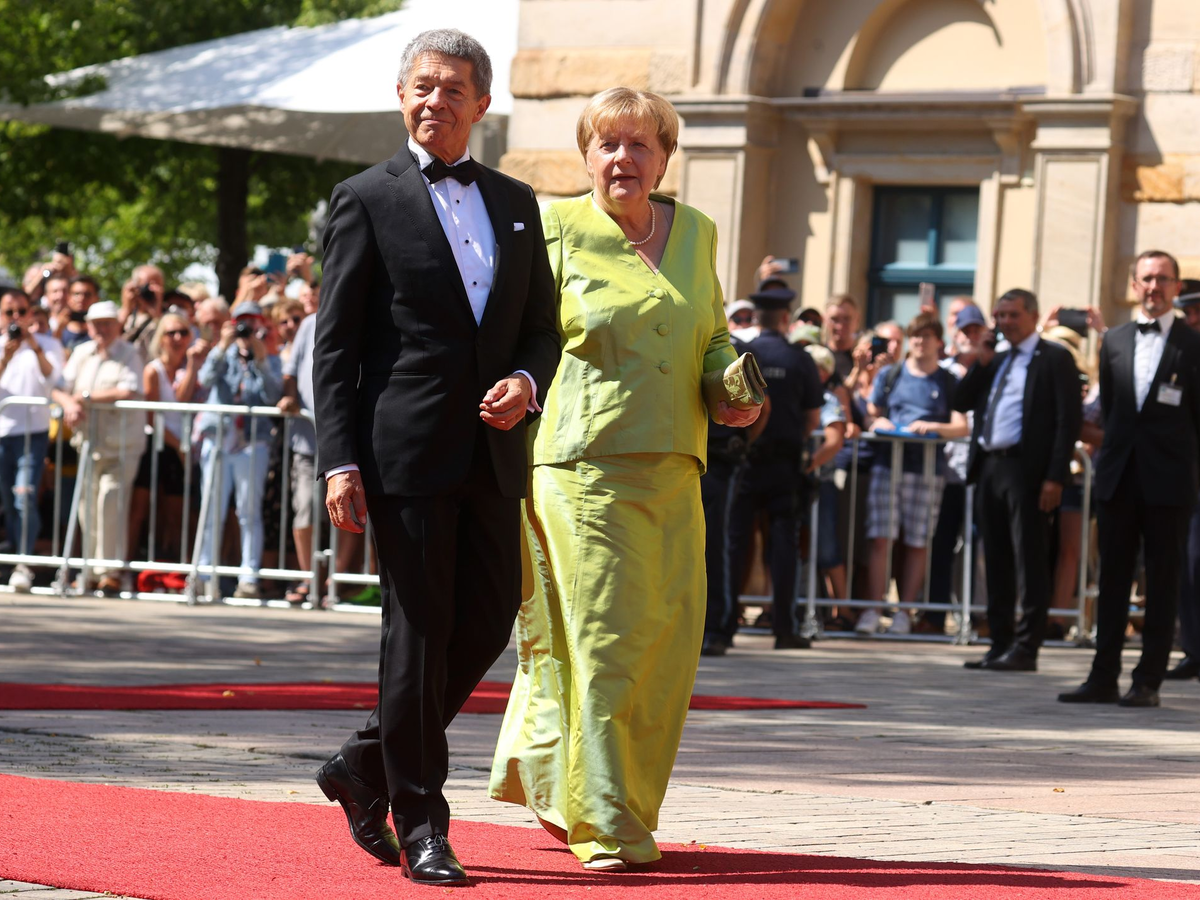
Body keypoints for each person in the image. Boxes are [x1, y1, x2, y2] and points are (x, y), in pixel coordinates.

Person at [311, 29, 560, 887]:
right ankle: (422, 823)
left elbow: (541, 328)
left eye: (453, 89)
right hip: (404, 455)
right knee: (416, 639)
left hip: (493, 453)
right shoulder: (363, 198)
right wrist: (338, 460)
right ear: (401, 95)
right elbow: (335, 349)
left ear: (481, 104)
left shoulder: (517, 201)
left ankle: (361, 764)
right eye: (422, 86)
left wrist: (527, 380)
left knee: (486, 623)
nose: (435, 101)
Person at [488, 86, 758, 872]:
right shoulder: (554, 226)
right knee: (604, 645)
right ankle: (605, 821)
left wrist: (731, 385)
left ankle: (588, 790)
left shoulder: (697, 231)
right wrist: (512, 389)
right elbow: (519, 334)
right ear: (586, 155)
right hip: (583, 468)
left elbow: (710, 333)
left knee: (666, 649)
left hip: (676, 468)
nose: (623, 159)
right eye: (607, 144)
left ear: (664, 158)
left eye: (641, 144)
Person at [1060, 250, 1200, 707]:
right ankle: (1103, 677)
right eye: (1147, 278)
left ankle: (1148, 681)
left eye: (1163, 278)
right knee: (1113, 579)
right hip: (1118, 477)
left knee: (1162, 579)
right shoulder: (1115, 339)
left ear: (1177, 286)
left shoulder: (1193, 344)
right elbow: (1113, 412)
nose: (1154, 286)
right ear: (1135, 284)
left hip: (1170, 481)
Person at [955, 290, 1082, 670]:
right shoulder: (995, 358)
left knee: (1029, 557)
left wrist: (1055, 477)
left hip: (1028, 470)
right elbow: (960, 401)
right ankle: (1000, 642)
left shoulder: (1054, 358)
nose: (1005, 322)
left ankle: (1027, 646)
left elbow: (1067, 420)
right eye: (1000, 316)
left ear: (1033, 316)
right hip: (990, 467)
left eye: (1013, 315)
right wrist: (980, 362)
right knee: (994, 557)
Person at [858, 312, 969, 635]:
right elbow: (871, 414)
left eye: (927, 336)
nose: (920, 342)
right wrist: (877, 423)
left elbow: (961, 425)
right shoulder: (891, 374)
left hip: (927, 470)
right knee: (881, 539)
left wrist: (932, 427)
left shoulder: (948, 380)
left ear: (939, 342)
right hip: (887, 465)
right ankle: (873, 609)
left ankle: (904, 612)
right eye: (915, 335)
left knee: (918, 542)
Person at [726, 286, 823, 649]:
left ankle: (722, 628)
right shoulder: (800, 359)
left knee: (735, 544)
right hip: (784, 464)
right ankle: (784, 628)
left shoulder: (742, 354)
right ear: (785, 317)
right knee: (783, 547)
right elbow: (813, 418)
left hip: (747, 461)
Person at [50, 300, 145, 595]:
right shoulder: (82, 353)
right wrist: (70, 403)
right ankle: (90, 570)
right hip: (89, 444)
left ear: (117, 326)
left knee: (110, 500)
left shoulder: (129, 353)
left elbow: (128, 389)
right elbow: (58, 388)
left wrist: (86, 397)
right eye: (97, 324)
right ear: (89, 327)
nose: (102, 329)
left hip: (121, 444)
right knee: (87, 505)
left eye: (107, 323)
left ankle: (109, 570)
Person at [195, 300, 282, 599]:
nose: (246, 328)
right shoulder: (223, 355)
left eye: (252, 322)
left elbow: (273, 396)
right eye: (241, 322)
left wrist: (261, 360)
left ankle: (249, 577)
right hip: (219, 438)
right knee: (212, 510)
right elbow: (205, 379)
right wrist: (221, 346)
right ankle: (204, 576)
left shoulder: (269, 357)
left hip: (252, 442)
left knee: (249, 511)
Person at [926, 302, 986, 634]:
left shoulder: (994, 367)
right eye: (966, 330)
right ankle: (935, 615)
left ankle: (976, 615)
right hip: (946, 471)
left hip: (980, 473)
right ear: (955, 333)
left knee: (977, 546)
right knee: (942, 543)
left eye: (977, 330)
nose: (971, 336)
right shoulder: (942, 370)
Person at [127, 313, 205, 564]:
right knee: (139, 511)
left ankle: (180, 569)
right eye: (171, 333)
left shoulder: (192, 367)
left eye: (183, 332)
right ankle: (123, 570)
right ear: (161, 338)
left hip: (182, 446)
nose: (178, 338)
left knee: (178, 514)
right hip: (156, 445)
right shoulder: (153, 370)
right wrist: (179, 447)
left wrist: (192, 366)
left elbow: (183, 399)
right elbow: (151, 417)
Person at [0, 289, 64, 591]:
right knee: (8, 502)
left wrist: (34, 346)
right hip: (3, 434)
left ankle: (23, 562)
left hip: (33, 434)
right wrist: (6, 357)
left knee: (24, 497)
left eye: (22, 311)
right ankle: (15, 554)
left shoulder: (48, 344)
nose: (16, 318)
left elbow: (54, 380)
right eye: (9, 312)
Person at [1168, 279, 1200, 679]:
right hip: (1188, 478)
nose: (1192, 320)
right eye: (1187, 313)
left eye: (1198, 312)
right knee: (1191, 565)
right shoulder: (1181, 356)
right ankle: (1194, 649)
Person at [825, 294, 860, 381]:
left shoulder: (862, 358)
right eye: (834, 319)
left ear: (857, 320)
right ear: (825, 320)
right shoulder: (817, 356)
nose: (839, 326)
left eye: (846, 319)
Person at [61, 276, 98, 353]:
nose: (81, 298)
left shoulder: (105, 329)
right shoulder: (58, 329)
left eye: (87, 295)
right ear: (68, 297)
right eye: (76, 294)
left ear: (96, 298)